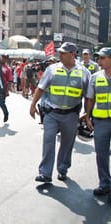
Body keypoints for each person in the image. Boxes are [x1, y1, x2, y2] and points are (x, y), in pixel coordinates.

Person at [29, 42, 90, 182]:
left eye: (63, 53)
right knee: (48, 140)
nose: (60, 55)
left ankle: (62, 169)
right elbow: (41, 88)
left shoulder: (83, 72)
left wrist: (87, 113)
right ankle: (45, 173)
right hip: (52, 113)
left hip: (71, 115)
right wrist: (33, 105)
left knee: (67, 144)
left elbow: (88, 96)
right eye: (60, 52)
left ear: (72, 55)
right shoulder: (52, 69)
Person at [84, 47, 111, 199]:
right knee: (101, 155)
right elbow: (90, 98)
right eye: (98, 58)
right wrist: (87, 116)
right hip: (100, 122)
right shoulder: (95, 77)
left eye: (102, 58)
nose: (99, 61)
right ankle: (105, 184)